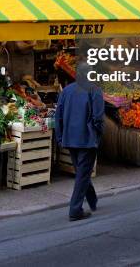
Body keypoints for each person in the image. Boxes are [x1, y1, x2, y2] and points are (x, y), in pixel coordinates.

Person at [55, 61, 105, 221]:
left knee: (82, 171)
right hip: (87, 139)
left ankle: (92, 199)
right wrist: (98, 134)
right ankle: (75, 209)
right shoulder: (95, 90)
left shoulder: (66, 91)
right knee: (83, 173)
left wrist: (60, 137)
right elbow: (98, 117)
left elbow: (58, 116)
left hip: (70, 138)